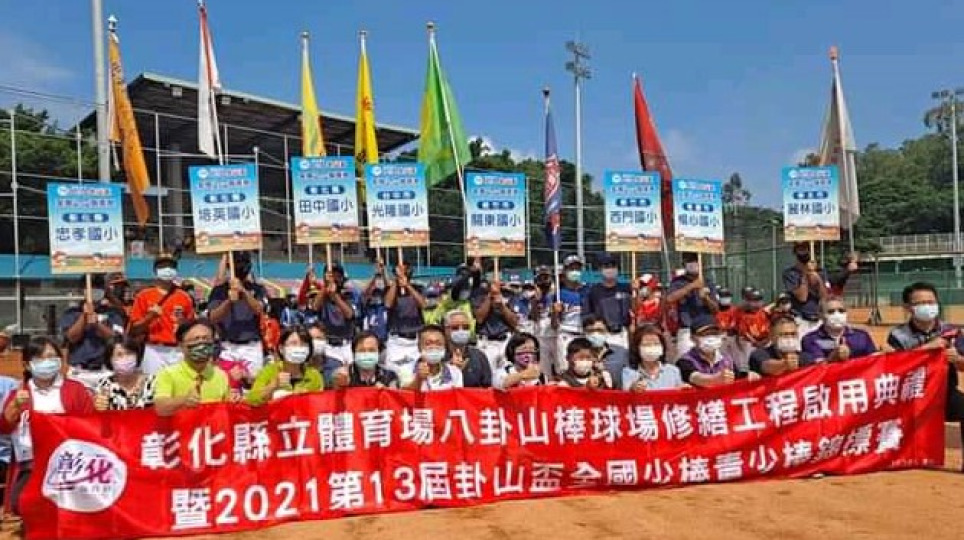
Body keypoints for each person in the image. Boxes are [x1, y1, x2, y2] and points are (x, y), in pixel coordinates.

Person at [0, 337, 93, 516]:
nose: (47, 362)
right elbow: (4, 427)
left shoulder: (76, 390)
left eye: (51, 357)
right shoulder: (19, 393)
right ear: (27, 365)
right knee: (23, 505)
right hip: (31, 465)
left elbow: (90, 424)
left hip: (70, 464)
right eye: (40, 358)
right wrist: (15, 406)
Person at [886, 282, 964, 466]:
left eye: (931, 302)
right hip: (909, 396)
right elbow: (896, 366)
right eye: (920, 303)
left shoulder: (953, 331)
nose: (927, 307)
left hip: (943, 392)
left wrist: (957, 359)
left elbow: (962, 367)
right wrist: (928, 348)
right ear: (908, 308)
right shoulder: (898, 335)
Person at [129, 253, 196, 375]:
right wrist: (150, 317)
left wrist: (183, 323)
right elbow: (134, 329)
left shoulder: (184, 297)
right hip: (154, 350)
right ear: (155, 271)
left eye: (171, 267)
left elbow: (192, 327)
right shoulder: (144, 296)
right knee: (154, 384)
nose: (167, 270)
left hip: (178, 350)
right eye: (163, 266)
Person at [60, 274, 128, 390]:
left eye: (98, 287)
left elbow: (116, 339)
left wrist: (97, 325)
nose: (94, 290)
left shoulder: (113, 313)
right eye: (90, 287)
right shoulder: (71, 313)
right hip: (79, 372)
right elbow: (71, 338)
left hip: (106, 371)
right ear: (82, 290)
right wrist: (84, 316)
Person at [153, 319, 231, 416]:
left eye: (206, 339)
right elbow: (160, 408)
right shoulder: (168, 374)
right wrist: (183, 401)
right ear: (181, 345)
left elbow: (227, 409)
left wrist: (234, 401)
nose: (201, 343)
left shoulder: (221, 375)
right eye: (196, 339)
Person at [207, 251, 268, 375]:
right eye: (238, 262)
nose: (242, 266)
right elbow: (213, 317)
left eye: (245, 262)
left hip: (251, 346)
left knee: (253, 381)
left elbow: (259, 310)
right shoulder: (219, 290)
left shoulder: (258, 289)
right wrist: (229, 301)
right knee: (227, 381)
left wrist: (243, 292)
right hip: (228, 346)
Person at [248, 327, 323, 405]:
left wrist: (307, 397)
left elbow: (320, 404)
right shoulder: (269, 371)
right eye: (293, 343)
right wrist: (273, 385)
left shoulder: (314, 375)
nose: (299, 348)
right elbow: (251, 400)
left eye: (304, 344)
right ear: (281, 348)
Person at [666, 252, 719, 360]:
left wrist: (706, 298)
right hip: (687, 329)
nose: (693, 263)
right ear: (684, 264)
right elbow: (669, 298)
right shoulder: (678, 282)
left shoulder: (708, 282)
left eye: (695, 260)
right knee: (686, 360)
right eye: (689, 261)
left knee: (710, 359)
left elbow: (715, 309)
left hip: (706, 328)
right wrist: (691, 287)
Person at [677, 317, 757, 388]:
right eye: (705, 334)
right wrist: (716, 379)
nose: (711, 338)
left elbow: (737, 377)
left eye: (714, 333)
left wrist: (748, 376)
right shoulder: (685, 361)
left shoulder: (727, 360)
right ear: (692, 338)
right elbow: (697, 378)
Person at [583, 252, 632, 360]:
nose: (610, 269)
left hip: (622, 334)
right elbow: (586, 315)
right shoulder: (593, 291)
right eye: (606, 266)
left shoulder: (627, 288)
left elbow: (635, 310)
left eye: (613, 266)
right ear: (600, 269)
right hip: (602, 334)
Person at [472, 263, 519, 372]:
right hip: (486, 342)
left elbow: (514, 322)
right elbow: (479, 318)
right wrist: (490, 296)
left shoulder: (509, 294)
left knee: (509, 372)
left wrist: (502, 306)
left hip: (505, 341)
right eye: (491, 273)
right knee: (488, 373)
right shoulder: (478, 294)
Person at [310, 263, 358, 367]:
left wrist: (335, 296)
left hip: (346, 344)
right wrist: (325, 287)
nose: (335, 279)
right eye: (332, 276)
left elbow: (349, 314)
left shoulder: (348, 294)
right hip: (328, 345)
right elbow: (315, 307)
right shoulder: (322, 295)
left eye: (338, 276)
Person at [801, 296, 877, 362]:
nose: (837, 315)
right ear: (820, 315)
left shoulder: (862, 336)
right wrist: (833, 358)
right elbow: (816, 368)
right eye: (831, 312)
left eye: (841, 311)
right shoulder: (810, 339)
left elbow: (875, 361)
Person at [384, 261, 426, 370]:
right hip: (396, 340)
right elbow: (388, 303)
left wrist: (408, 286)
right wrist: (396, 281)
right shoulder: (391, 289)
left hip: (415, 339)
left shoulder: (418, 288)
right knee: (394, 370)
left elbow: (423, 304)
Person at [782, 242, 831, 335]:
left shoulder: (821, 271)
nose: (803, 252)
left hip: (819, 319)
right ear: (795, 252)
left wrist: (818, 278)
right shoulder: (790, 273)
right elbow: (802, 298)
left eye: (806, 248)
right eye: (800, 249)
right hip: (800, 319)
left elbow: (824, 297)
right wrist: (805, 274)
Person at [93, 338, 155, 410]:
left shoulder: (153, 382)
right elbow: (98, 410)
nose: (125, 358)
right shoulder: (104, 385)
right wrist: (99, 407)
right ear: (110, 360)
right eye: (119, 355)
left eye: (129, 353)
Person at [622, 324, 685, 392]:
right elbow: (626, 393)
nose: (652, 347)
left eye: (656, 344)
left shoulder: (673, 371)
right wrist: (632, 389)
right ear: (637, 348)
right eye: (646, 344)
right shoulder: (629, 372)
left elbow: (680, 394)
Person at [749, 315, 816, 376]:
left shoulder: (806, 358)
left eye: (793, 334)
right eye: (784, 334)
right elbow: (766, 366)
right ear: (772, 336)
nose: (789, 338)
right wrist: (784, 364)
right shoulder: (759, 354)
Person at [401, 325, 463, 391]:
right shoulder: (406, 370)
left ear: (445, 347)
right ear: (419, 347)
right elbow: (404, 394)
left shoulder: (455, 372)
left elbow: (458, 396)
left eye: (438, 344)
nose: (433, 347)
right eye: (428, 344)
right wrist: (418, 379)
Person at [329, 331, 400, 389]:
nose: (366, 354)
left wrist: (386, 392)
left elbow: (394, 397)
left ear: (379, 352)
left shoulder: (389, 376)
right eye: (361, 350)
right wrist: (339, 384)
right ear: (354, 353)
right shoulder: (345, 375)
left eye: (372, 350)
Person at [553, 254, 588, 369]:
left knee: (583, 369)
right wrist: (555, 313)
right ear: (565, 271)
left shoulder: (587, 290)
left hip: (584, 335)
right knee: (565, 369)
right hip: (566, 335)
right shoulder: (559, 294)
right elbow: (554, 325)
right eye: (571, 269)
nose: (575, 271)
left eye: (577, 269)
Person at [444, 310, 492, 388]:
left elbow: (487, 387)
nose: (461, 331)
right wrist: (450, 369)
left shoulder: (479, 356)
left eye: (466, 327)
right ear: (446, 330)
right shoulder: (439, 357)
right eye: (455, 328)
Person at [583, 315, 625, 390]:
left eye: (600, 330)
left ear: (607, 332)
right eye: (590, 331)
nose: (595, 334)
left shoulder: (621, 353)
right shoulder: (580, 355)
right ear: (584, 333)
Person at [733, 288, 771, 371]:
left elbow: (772, 329)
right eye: (753, 301)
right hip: (751, 343)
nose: (756, 303)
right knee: (746, 346)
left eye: (758, 300)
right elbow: (744, 333)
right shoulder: (744, 316)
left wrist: (765, 341)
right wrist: (755, 342)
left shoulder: (765, 313)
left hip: (765, 341)